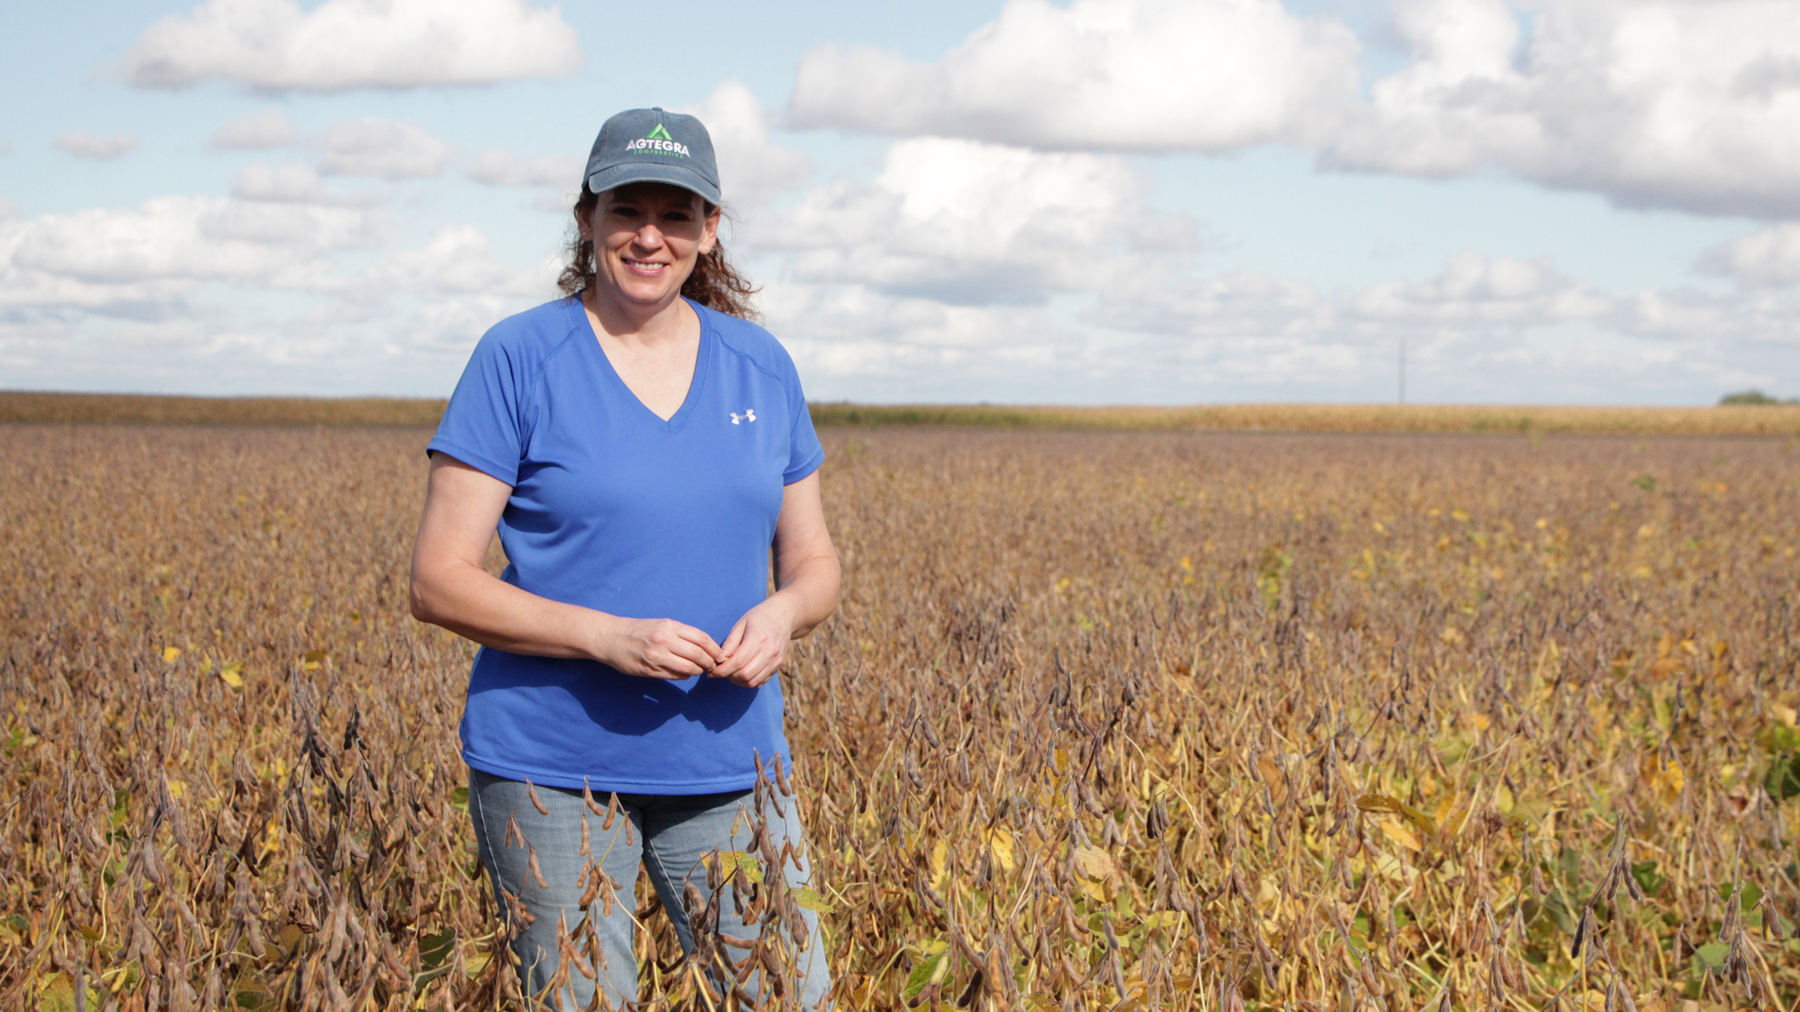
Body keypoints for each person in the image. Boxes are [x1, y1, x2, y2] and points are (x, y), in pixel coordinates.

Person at [409, 107, 838, 1011]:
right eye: (627, 209)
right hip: (550, 768)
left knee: (791, 995)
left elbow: (815, 562)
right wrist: (606, 638)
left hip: (729, 759)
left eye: (677, 213)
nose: (651, 235)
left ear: (710, 228)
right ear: (587, 218)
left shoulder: (761, 366)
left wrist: (784, 613)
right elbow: (439, 579)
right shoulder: (519, 357)